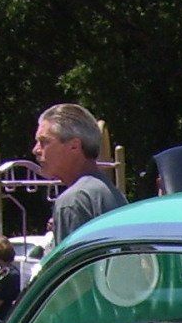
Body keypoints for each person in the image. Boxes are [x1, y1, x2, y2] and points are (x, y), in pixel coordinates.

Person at [34, 103, 124, 243]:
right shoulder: (108, 191)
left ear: (74, 146)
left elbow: (72, 265)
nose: (36, 150)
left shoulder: (74, 200)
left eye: (44, 142)